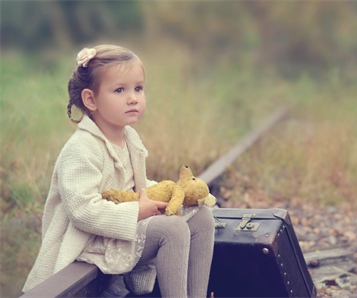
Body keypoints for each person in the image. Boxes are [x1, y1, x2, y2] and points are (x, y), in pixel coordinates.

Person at [22, 45, 215, 298]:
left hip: (120, 227)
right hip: (89, 240)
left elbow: (136, 183)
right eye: (120, 90)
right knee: (172, 229)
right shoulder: (81, 149)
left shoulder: (129, 136)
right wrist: (137, 211)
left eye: (138, 88)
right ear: (91, 100)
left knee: (201, 217)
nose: (133, 98)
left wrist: (168, 194)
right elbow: (82, 211)